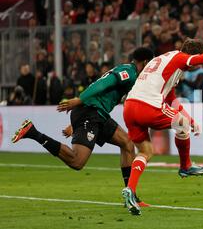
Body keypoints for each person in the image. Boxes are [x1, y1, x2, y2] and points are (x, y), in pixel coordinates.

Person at [121, 24, 203, 216]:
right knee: (181, 125)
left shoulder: (165, 61)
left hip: (129, 107)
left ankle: (130, 191)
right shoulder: (180, 59)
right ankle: (185, 166)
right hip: (147, 106)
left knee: (145, 150)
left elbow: (171, 99)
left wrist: (191, 121)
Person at [11, 47, 154, 206]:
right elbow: (102, 83)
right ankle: (33, 133)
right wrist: (80, 100)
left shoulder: (127, 70)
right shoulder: (130, 73)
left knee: (127, 143)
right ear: (146, 62)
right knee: (77, 161)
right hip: (90, 112)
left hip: (97, 114)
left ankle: (131, 196)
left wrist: (75, 122)